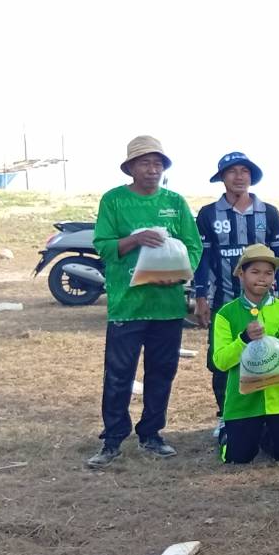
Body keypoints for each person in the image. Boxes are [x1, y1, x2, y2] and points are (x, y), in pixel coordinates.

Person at [87, 136, 203, 468]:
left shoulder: (176, 202)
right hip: (127, 304)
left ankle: (152, 434)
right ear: (131, 168)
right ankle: (112, 439)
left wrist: (181, 274)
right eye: (145, 163)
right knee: (119, 374)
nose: (152, 170)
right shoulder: (114, 201)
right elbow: (103, 245)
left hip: (167, 306)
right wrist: (135, 239)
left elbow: (193, 247)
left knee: (162, 372)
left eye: (157, 164)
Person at [193, 151, 279, 436]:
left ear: (251, 176)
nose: (239, 176)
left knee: (270, 355)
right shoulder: (209, 214)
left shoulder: (268, 212)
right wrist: (201, 297)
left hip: (267, 303)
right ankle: (225, 416)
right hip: (225, 301)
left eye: (244, 171)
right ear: (222, 177)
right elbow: (203, 259)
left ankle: (268, 415)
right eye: (232, 171)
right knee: (221, 361)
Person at [209, 244, 279, 466]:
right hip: (243, 402)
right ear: (241, 273)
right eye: (255, 272)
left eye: (269, 273)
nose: (263, 278)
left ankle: (269, 435)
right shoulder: (226, 314)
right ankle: (226, 433)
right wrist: (243, 340)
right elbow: (220, 362)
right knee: (236, 459)